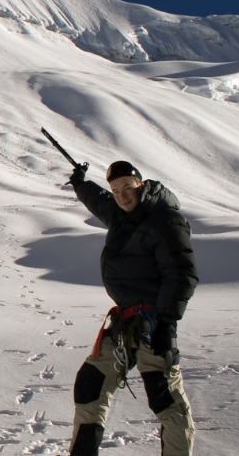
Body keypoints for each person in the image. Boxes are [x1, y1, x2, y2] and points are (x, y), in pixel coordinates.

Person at [67, 161, 198, 455]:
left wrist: (165, 322)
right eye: (116, 190)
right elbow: (99, 201)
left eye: (127, 186)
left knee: (164, 398)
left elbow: (182, 273)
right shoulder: (120, 214)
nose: (122, 195)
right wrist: (80, 183)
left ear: (141, 184)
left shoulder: (165, 220)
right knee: (90, 386)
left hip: (155, 323)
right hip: (125, 323)